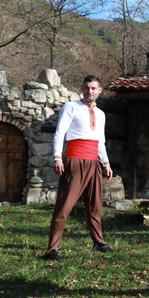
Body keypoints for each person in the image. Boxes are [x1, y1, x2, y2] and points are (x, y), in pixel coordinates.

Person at [44, 75, 114, 260]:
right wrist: (58, 157)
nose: (90, 91)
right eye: (87, 87)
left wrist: (106, 163)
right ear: (82, 88)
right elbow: (59, 133)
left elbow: (100, 142)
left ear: (99, 91)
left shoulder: (101, 114)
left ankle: (99, 242)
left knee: (95, 205)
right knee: (64, 205)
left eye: (93, 88)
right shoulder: (71, 107)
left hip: (94, 163)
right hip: (75, 160)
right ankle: (53, 249)